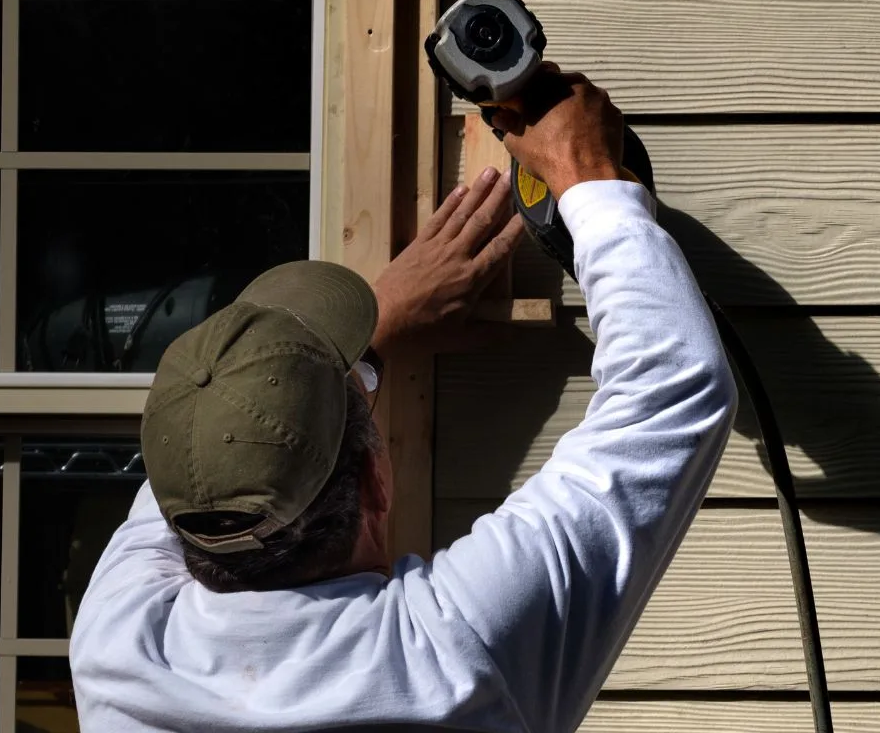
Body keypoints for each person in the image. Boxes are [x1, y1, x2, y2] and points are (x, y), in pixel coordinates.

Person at [69, 69, 737, 732]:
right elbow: (673, 387)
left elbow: (211, 452)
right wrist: (589, 178)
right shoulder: (448, 654)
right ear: (375, 483)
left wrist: (374, 335)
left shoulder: (116, 646)